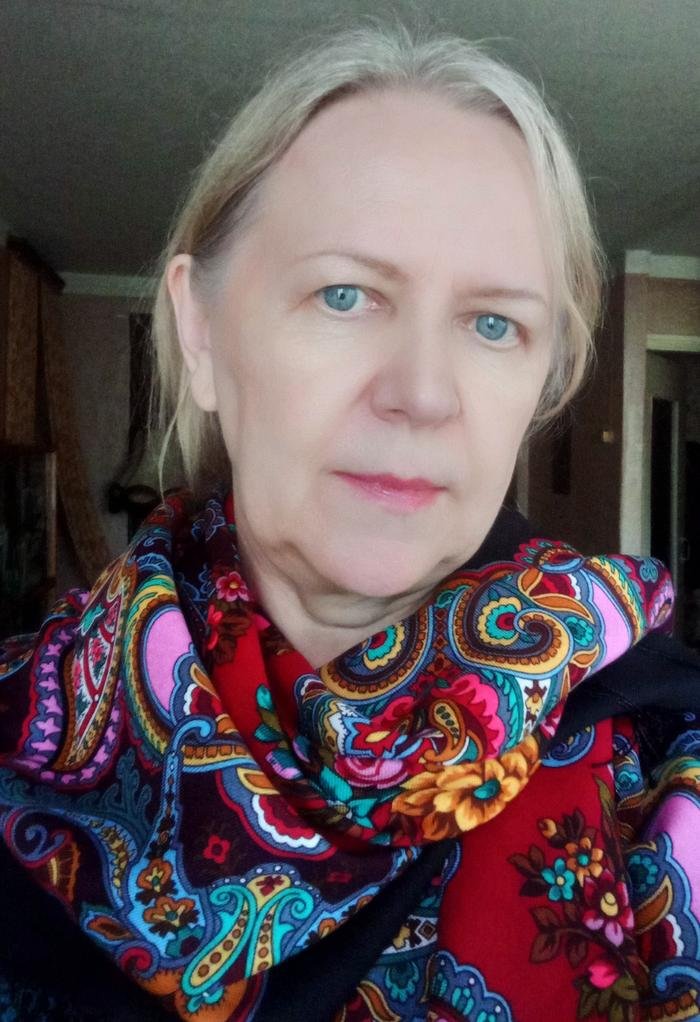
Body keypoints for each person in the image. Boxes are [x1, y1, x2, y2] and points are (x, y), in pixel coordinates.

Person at [1, 24, 699, 1022]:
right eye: (345, 295)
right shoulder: (21, 730)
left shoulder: (664, 757)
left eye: (493, 322)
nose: (422, 392)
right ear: (200, 332)